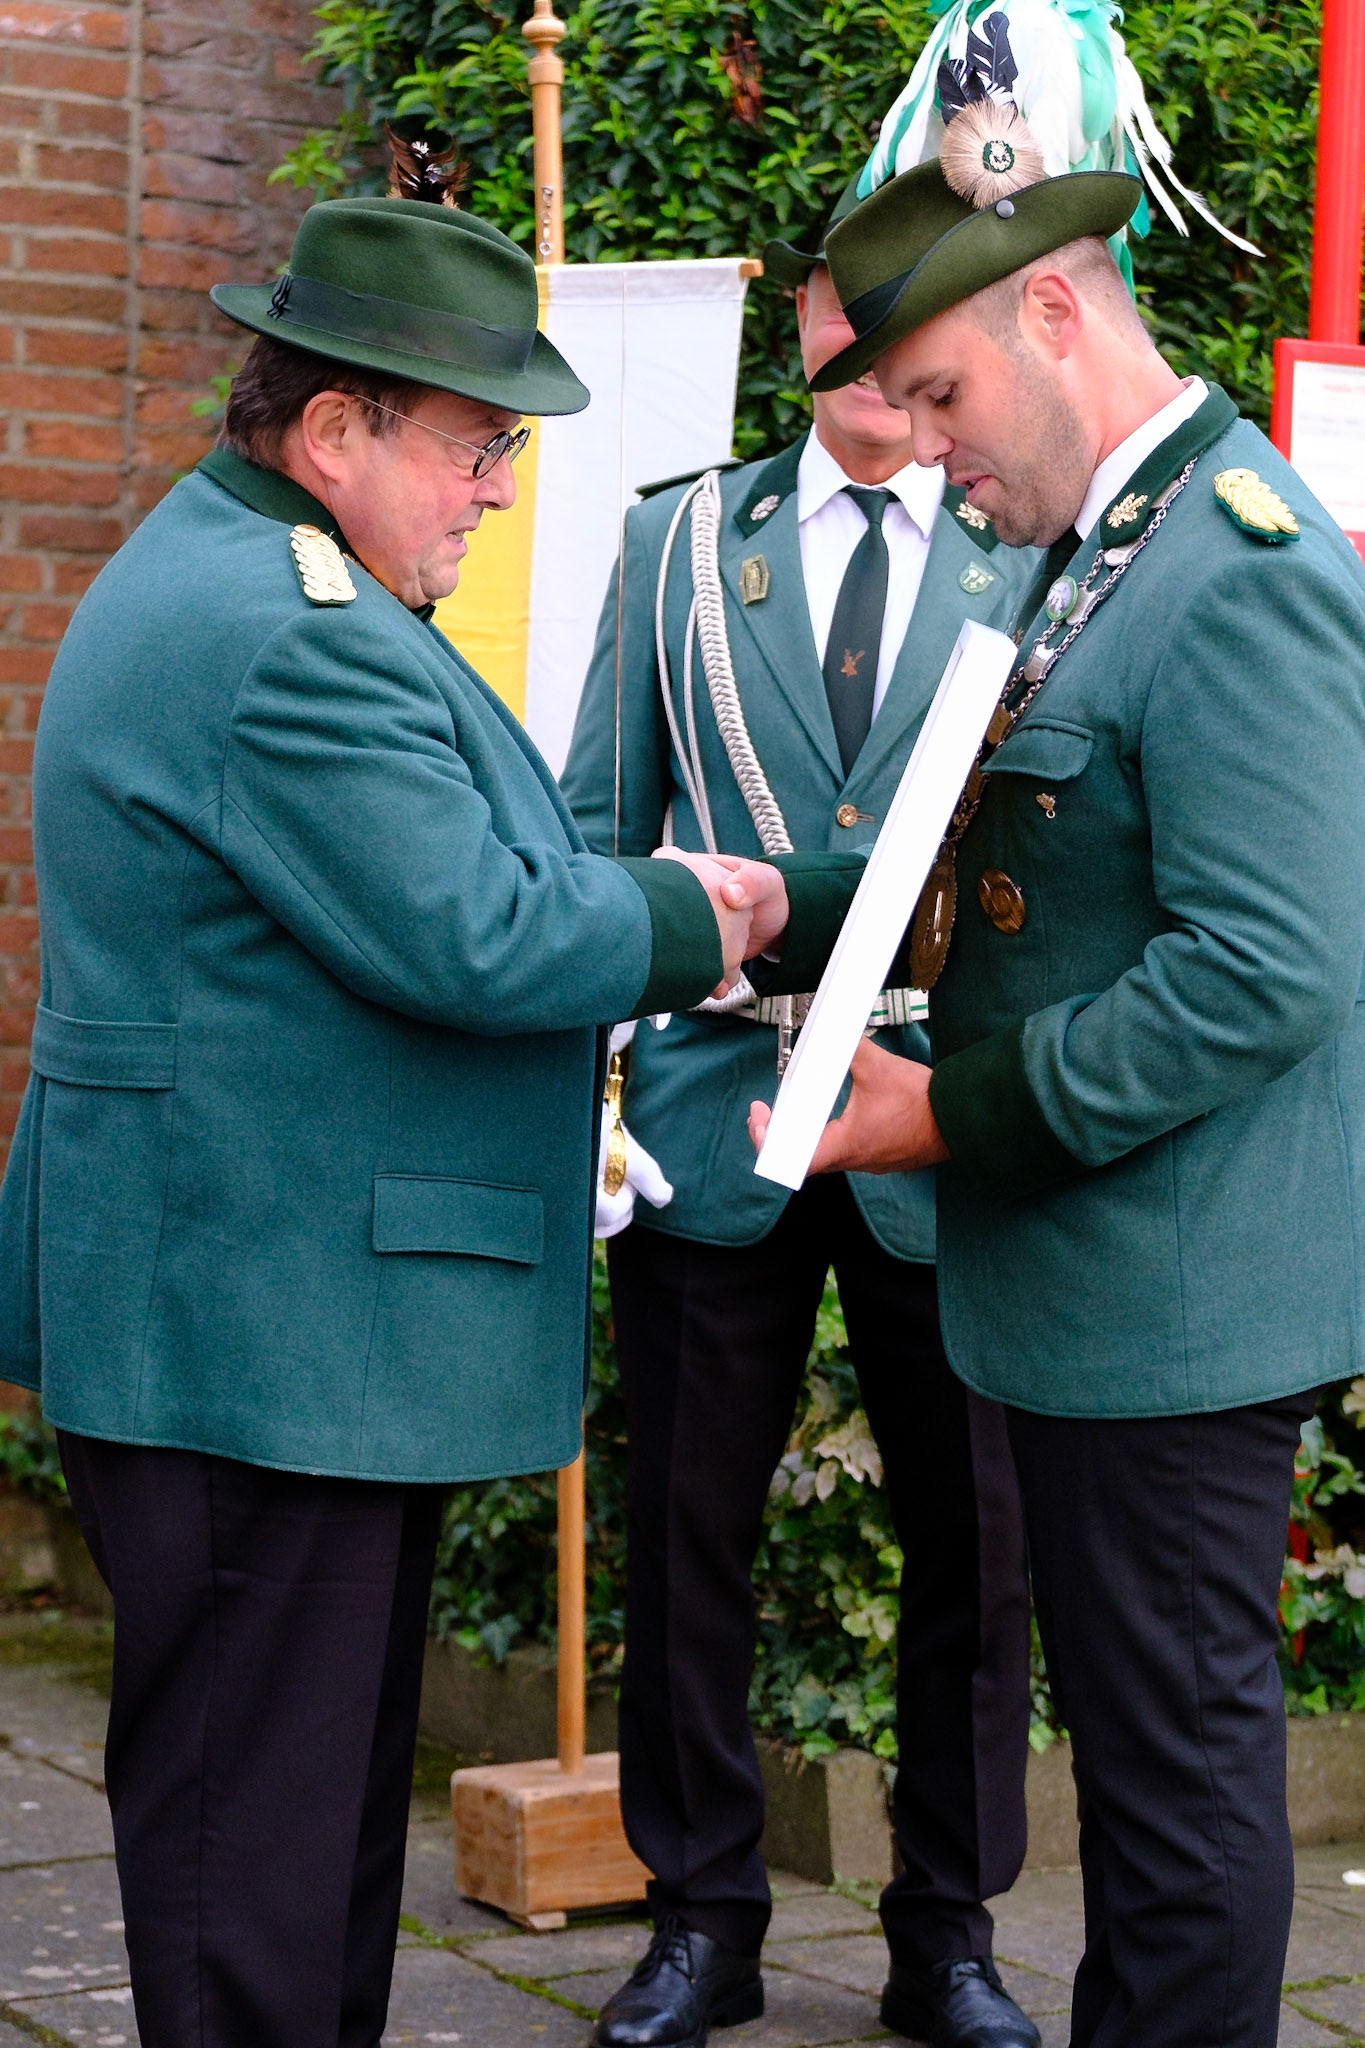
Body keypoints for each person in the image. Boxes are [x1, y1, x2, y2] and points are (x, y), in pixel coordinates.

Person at [0, 142, 811, 2048]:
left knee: (292, 1850)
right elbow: (475, 933)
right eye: (471, 444)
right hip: (265, 1335)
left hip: (268, 1323)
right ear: (336, 428)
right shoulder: (289, 627)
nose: (498, 485)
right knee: (252, 1878)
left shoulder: (250, 572)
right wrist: (688, 915)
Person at [750, 53, 1365, 2048]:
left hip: (1172, 1306)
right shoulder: (1086, 549)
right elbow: (999, 870)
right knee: (1137, 1780)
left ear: (1052, 306)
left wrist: (949, 1108)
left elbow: (1264, 967)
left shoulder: (1237, 563)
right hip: (1089, 1289)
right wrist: (776, 917)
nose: (916, 452)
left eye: (930, 399)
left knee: (1176, 1806)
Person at [560, 203, 1040, 2048]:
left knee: (976, 1545)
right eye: (848, 307)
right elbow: (601, 832)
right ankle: (701, 1921)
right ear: (806, 316)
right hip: (714, 1091)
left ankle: (950, 1933)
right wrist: (592, 1094)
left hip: (935, 1108)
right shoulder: (673, 536)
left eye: (909, 317)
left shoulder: (1034, 540)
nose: (871, 350)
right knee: (688, 1529)